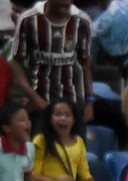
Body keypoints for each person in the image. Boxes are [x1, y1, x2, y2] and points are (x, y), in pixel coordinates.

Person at [10, 0, 95, 129]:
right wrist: (33, 97)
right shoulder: (28, 20)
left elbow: (85, 62)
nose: (67, 2)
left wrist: (89, 101)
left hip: (73, 105)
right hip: (39, 105)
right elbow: (16, 62)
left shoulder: (82, 21)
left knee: (74, 148)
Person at [32, 99, 110, 181]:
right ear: (50, 119)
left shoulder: (79, 141)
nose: (63, 118)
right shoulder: (41, 140)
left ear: (73, 120)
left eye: (67, 115)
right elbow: (32, 175)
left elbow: (85, 175)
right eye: (58, 115)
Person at [0, 102, 54, 181]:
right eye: (22, 120)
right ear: (7, 128)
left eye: (28, 119)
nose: (28, 123)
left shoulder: (30, 148)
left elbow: (27, 176)